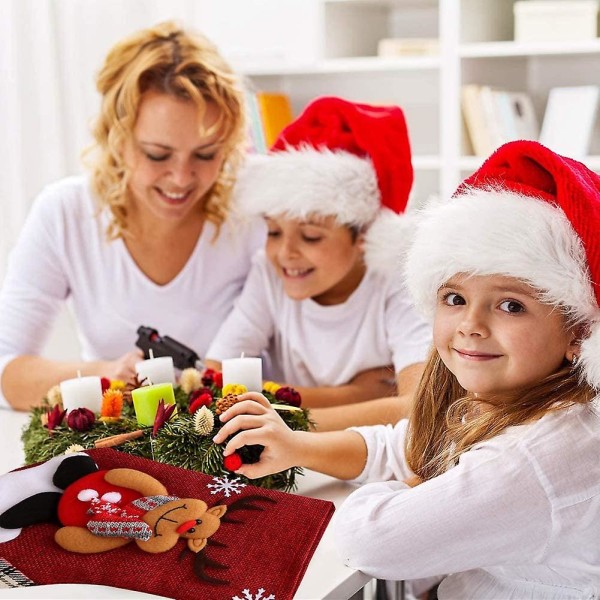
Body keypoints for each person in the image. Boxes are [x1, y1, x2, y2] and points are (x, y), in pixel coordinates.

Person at [213, 140, 600, 597]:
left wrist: (416, 485)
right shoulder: (521, 403)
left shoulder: (531, 461)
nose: (471, 326)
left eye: (511, 305)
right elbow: (401, 445)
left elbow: (371, 541)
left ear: (579, 333)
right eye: (454, 298)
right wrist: (297, 446)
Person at [0, 21, 265, 411]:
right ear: (117, 138)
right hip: (121, 446)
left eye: (206, 155)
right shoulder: (66, 213)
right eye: (157, 155)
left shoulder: (253, 213)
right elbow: (8, 372)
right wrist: (107, 374)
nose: (181, 178)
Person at [205, 96, 431, 424]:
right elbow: (216, 385)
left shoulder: (398, 281)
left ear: (365, 233)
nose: (285, 253)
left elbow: (417, 409)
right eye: (273, 231)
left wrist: (270, 411)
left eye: (310, 236)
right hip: (292, 458)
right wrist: (357, 396)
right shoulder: (269, 273)